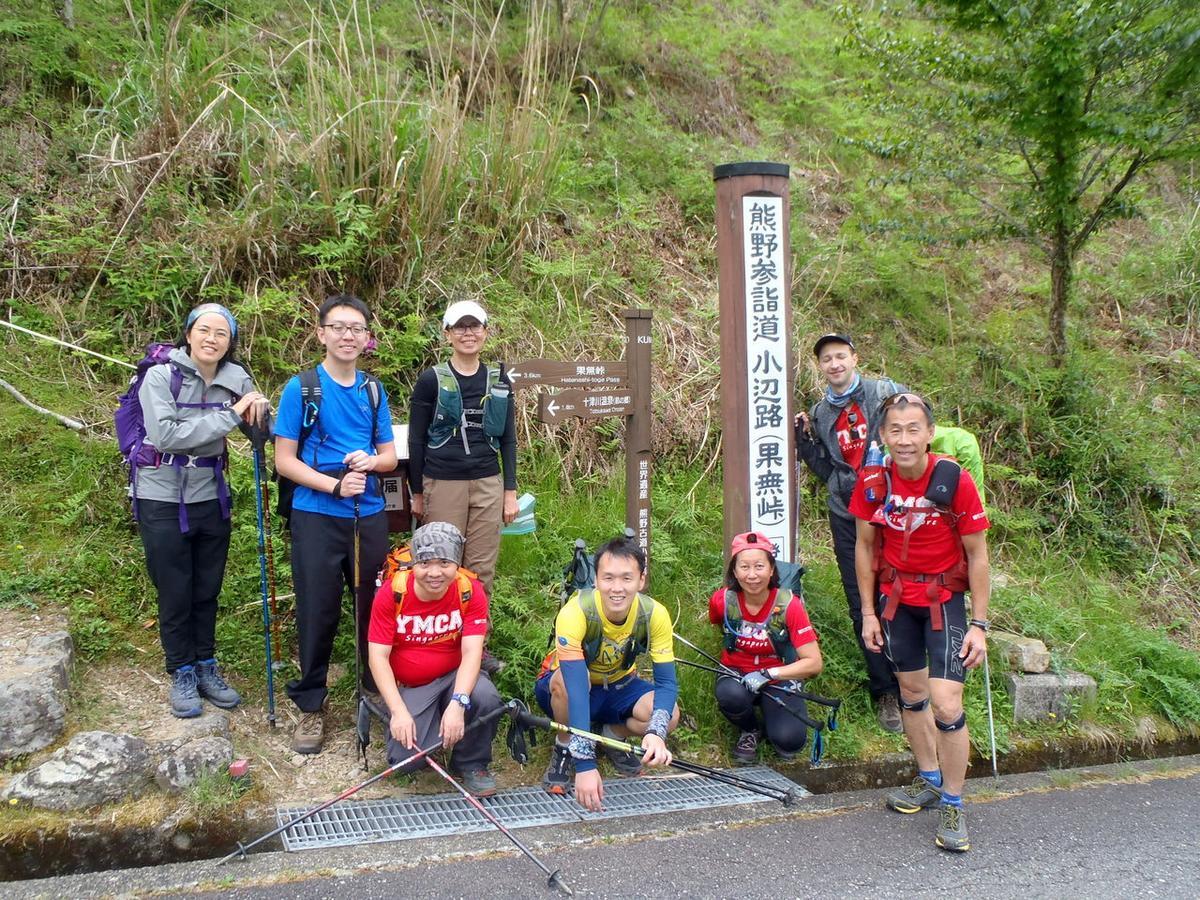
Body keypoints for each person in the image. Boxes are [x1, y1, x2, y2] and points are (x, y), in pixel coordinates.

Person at [851, 392, 990, 852]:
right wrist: (869, 612)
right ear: (883, 435)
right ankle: (929, 779)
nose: (905, 439)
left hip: (943, 600)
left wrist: (980, 624)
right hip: (896, 602)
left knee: (946, 704)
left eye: (914, 429)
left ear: (930, 433)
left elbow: (978, 554)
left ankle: (953, 801)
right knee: (911, 695)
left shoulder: (953, 479)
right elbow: (866, 549)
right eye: (895, 430)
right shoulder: (874, 480)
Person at [275, 294, 398, 754]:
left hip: (367, 516)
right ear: (322, 333)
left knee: (376, 608)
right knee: (317, 608)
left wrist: (370, 460)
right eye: (339, 327)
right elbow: (284, 460)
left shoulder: (373, 390)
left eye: (357, 329)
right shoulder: (302, 388)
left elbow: (387, 456)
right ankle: (311, 704)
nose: (348, 335)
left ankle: (375, 691)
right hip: (316, 516)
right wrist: (332, 486)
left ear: (367, 338)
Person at [136, 302, 269, 717]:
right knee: (175, 589)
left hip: (211, 496)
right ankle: (181, 671)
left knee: (207, 588)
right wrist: (231, 414)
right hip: (160, 496)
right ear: (189, 334)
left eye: (221, 334)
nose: (212, 339)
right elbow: (168, 435)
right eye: (204, 331)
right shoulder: (160, 377)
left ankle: (206, 665)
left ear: (231, 343)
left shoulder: (236, 380)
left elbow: (258, 435)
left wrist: (260, 416)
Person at [795, 332, 907, 732]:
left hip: (894, 509)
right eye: (827, 359)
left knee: (900, 590)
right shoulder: (822, 413)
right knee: (860, 598)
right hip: (846, 512)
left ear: (855, 358)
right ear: (820, 367)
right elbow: (828, 469)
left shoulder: (886, 393)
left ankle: (913, 680)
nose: (835, 364)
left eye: (841, 356)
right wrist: (804, 444)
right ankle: (885, 691)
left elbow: (915, 432)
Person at [536, 537, 679, 811]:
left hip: (619, 686)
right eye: (608, 578)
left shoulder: (654, 613)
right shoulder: (576, 612)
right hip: (570, 690)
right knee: (567, 682)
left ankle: (611, 735)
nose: (617, 588)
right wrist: (585, 764)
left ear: (641, 579)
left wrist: (657, 733)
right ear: (596, 580)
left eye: (627, 578)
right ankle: (565, 746)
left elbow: (666, 682)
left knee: (669, 715)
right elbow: (577, 689)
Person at [367, 521, 503, 797]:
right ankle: (424, 717)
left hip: (455, 674)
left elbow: (472, 651)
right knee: (406, 761)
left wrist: (458, 703)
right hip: (413, 685)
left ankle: (472, 762)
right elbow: (377, 658)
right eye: (425, 563)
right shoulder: (392, 594)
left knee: (485, 696)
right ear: (413, 563)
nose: (434, 573)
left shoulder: (469, 590)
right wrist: (398, 712)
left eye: (444, 562)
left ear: (456, 564)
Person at [408, 298, 518, 598]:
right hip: (442, 482)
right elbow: (416, 440)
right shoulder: (431, 380)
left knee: (481, 569)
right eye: (460, 326)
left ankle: (477, 640)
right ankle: (442, 640)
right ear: (447, 333)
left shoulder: (499, 380)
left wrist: (510, 492)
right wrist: (417, 492)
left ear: (486, 331)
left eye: (474, 326)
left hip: (487, 482)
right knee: (442, 563)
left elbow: (509, 438)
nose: (468, 333)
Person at [709, 531, 824, 764]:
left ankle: (771, 709)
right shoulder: (723, 601)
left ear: (772, 570)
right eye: (744, 567)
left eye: (759, 566)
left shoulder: (789, 605)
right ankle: (750, 730)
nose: (752, 575)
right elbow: (718, 625)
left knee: (789, 741)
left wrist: (768, 674)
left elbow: (814, 663)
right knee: (730, 695)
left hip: (778, 674)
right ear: (734, 571)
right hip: (737, 672)